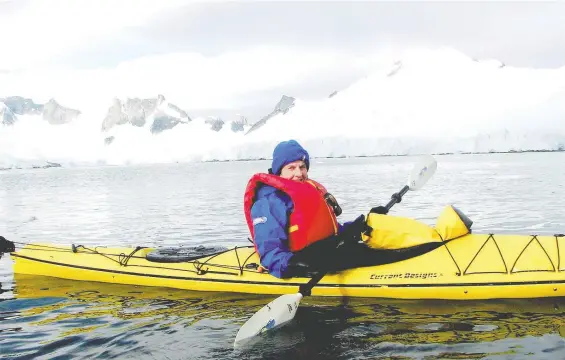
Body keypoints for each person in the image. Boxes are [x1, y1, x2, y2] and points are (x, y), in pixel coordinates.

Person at [243, 140, 386, 278]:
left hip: (325, 252)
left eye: (302, 167)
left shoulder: (309, 191)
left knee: (386, 250)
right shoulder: (268, 203)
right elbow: (270, 252)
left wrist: (359, 225)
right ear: (279, 171)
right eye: (291, 168)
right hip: (298, 261)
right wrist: (295, 264)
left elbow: (328, 231)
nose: (299, 173)